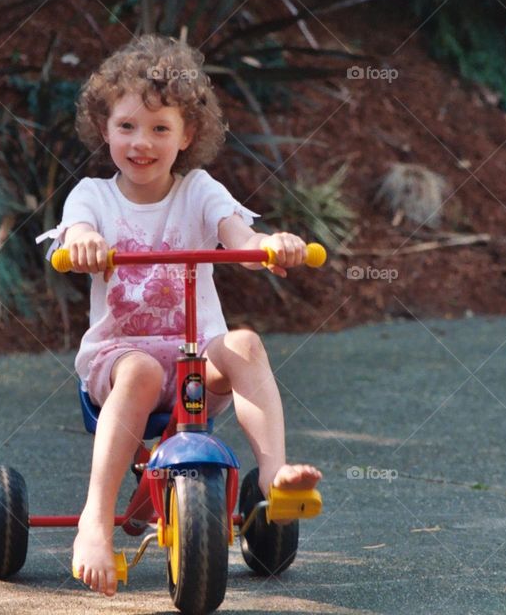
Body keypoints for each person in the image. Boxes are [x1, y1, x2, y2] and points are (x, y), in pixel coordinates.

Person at [36, 34, 321, 597]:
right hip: (119, 363)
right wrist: (86, 241)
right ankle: (96, 520)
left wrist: (267, 245)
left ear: (187, 135)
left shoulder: (199, 190)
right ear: (105, 129)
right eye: (127, 127)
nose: (141, 143)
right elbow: (77, 230)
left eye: (160, 129)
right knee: (140, 368)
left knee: (244, 344)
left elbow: (235, 231)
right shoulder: (93, 195)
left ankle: (273, 481)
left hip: (196, 367)